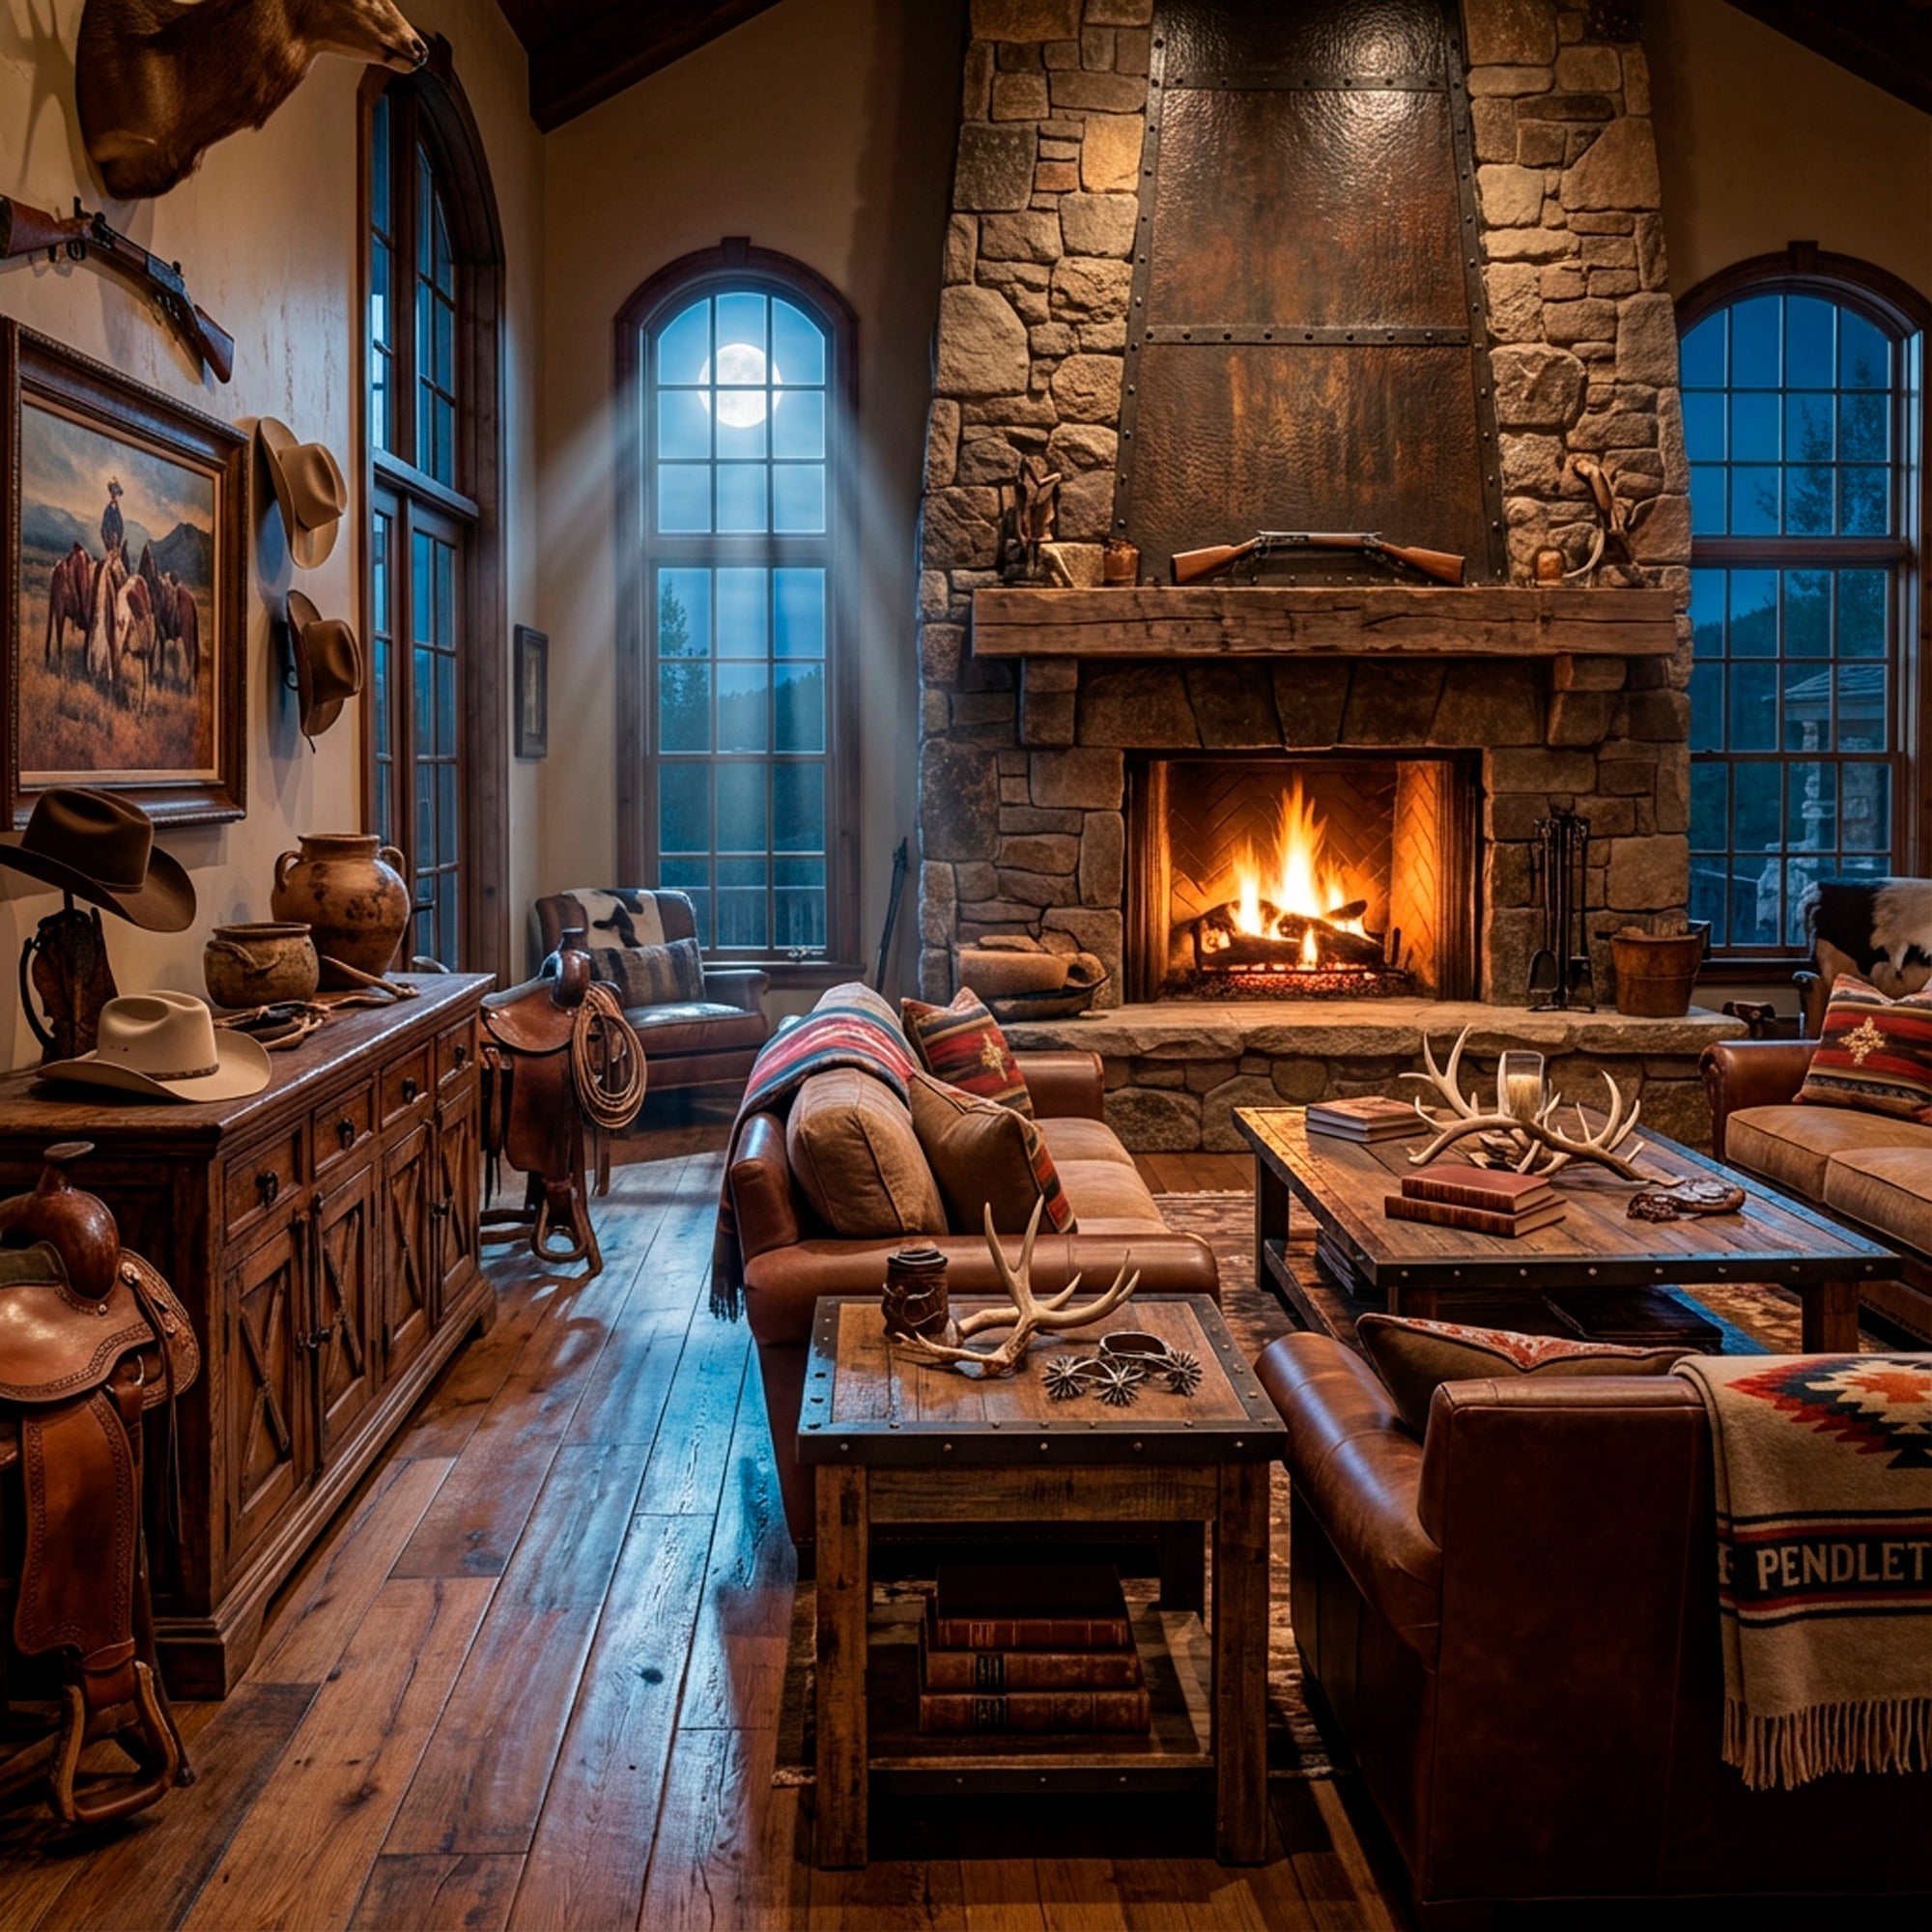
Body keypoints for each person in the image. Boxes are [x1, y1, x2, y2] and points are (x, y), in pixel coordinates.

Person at [100, 477, 125, 559]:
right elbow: (103, 530)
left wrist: (118, 545)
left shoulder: (117, 510)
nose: (119, 497)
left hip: (116, 549)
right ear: (113, 495)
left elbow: (120, 528)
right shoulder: (108, 510)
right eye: (118, 495)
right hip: (110, 549)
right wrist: (109, 546)